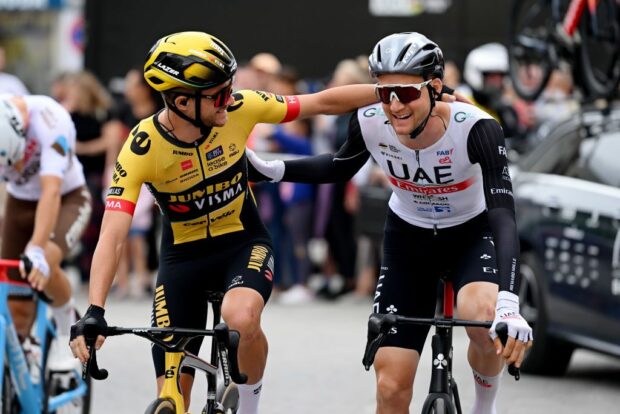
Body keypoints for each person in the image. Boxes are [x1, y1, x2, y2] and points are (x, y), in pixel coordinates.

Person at [68, 31, 379, 414]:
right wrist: (95, 309)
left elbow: (322, 102)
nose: (229, 99)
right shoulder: (141, 147)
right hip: (182, 260)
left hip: (242, 244)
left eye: (229, 88)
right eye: (219, 93)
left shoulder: (239, 108)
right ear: (182, 101)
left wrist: (390, 91)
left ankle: (248, 405)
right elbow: (112, 235)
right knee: (171, 395)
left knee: (240, 316)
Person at [247, 32, 533, 414]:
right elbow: (337, 167)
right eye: (384, 93)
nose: (395, 105)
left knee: (483, 321)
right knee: (391, 385)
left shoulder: (476, 128)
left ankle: (485, 406)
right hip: (409, 239)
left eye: (407, 94)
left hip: (471, 234)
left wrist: (509, 304)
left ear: (434, 88)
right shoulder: (369, 120)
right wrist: (270, 169)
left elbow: (502, 214)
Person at [0, 95, 91, 371]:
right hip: (19, 203)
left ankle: (68, 327)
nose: (16, 169)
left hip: (67, 197)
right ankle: (25, 356)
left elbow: (50, 191)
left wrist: (37, 248)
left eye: (17, 160)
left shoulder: (50, 119)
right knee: (15, 302)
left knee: (44, 264)